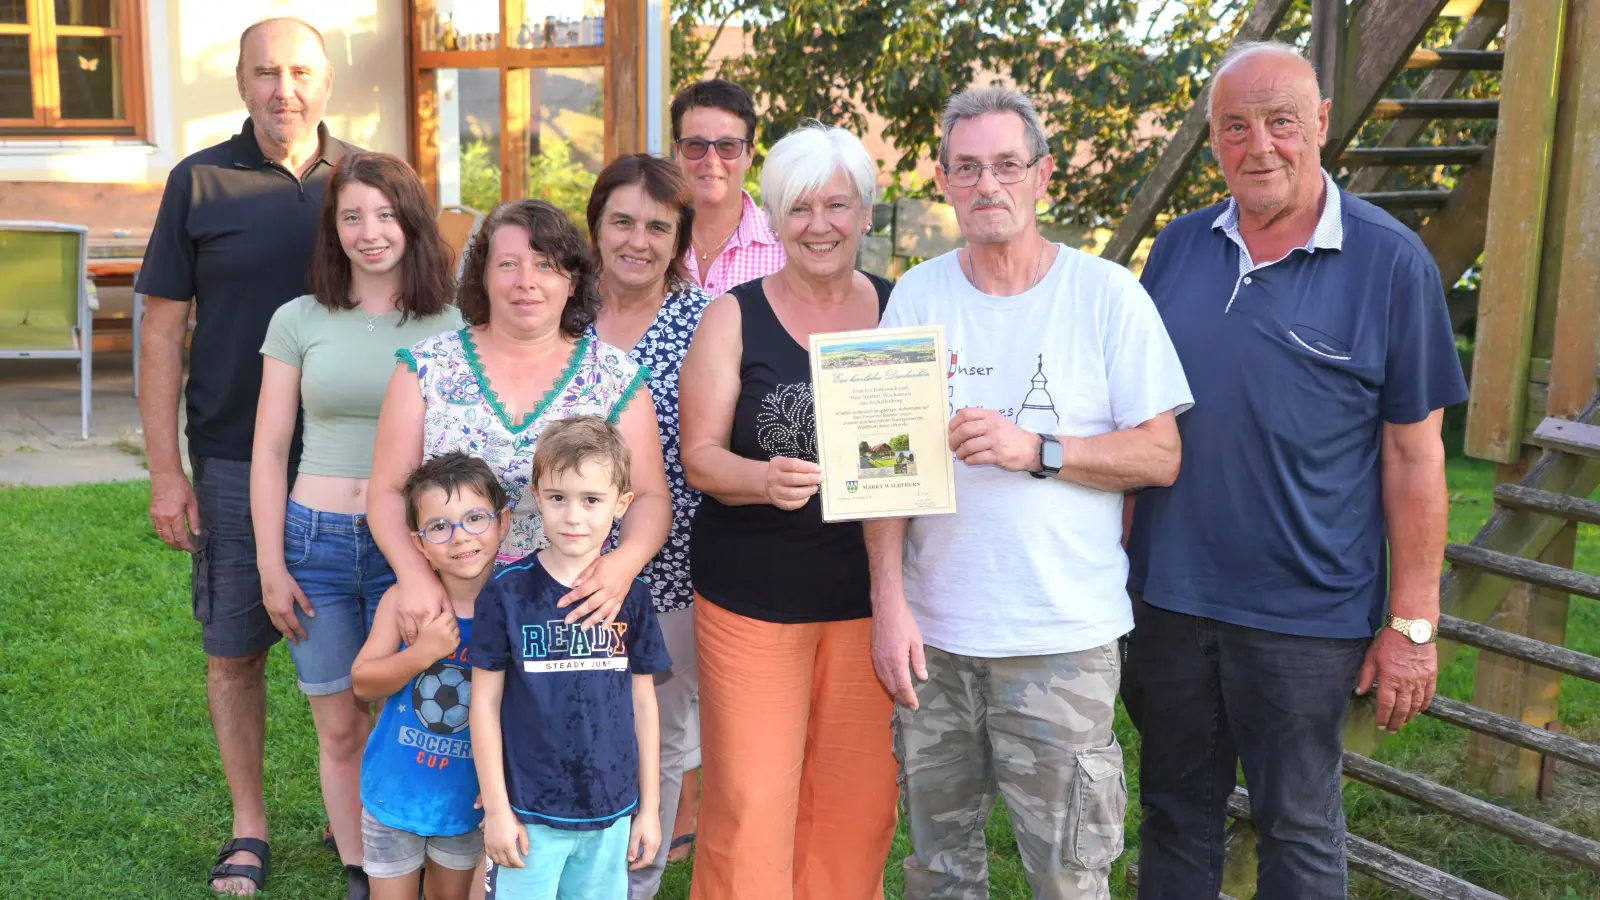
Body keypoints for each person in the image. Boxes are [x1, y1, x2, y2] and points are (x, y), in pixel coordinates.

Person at [1123, 42, 1467, 900]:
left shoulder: (1391, 263)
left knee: (1300, 830)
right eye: (1236, 127)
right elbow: (1137, 422)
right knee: (1172, 816)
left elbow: (1415, 457)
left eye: (1281, 121)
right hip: (1168, 601)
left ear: (1320, 124)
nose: (1260, 145)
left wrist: (1413, 625)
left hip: (1305, 616)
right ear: (1213, 139)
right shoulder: (1177, 249)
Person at [866, 86, 1192, 900]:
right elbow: (883, 474)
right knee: (938, 868)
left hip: (1060, 640)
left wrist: (1037, 450)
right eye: (968, 167)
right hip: (937, 639)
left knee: (1068, 873)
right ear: (943, 181)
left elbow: (1161, 454)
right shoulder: (917, 298)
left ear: (1043, 175)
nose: (988, 184)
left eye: (1007, 164)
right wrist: (889, 604)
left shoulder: (1106, 294)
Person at [134, 16, 357, 895]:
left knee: (366, 646)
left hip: (352, 459)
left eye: (300, 72)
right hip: (231, 454)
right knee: (235, 649)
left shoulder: (366, 181)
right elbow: (160, 331)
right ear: (240, 83)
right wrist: (165, 470)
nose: (283, 90)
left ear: (327, 81)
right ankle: (249, 826)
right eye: (265, 72)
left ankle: (361, 820)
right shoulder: (198, 183)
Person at [678, 121, 898, 900]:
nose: (819, 225)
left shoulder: (901, 311)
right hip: (753, 599)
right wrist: (761, 478)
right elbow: (699, 457)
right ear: (772, 219)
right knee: (750, 803)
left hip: (869, 601)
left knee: (856, 805)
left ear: (865, 213)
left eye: (836, 205)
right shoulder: (733, 315)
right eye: (798, 208)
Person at [249, 151, 463, 899]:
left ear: (411, 221)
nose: (369, 232)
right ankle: (364, 871)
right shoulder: (298, 319)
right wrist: (271, 566)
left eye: (385, 214)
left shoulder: (453, 322)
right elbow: (270, 450)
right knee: (339, 725)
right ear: (332, 228)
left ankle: (433, 848)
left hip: (414, 550)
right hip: (316, 544)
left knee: (420, 713)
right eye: (351, 217)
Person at [367, 200, 673, 644]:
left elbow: (649, 496)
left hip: (570, 608)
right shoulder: (425, 367)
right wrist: (414, 576)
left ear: (572, 282)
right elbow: (388, 490)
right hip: (450, 609)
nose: (526, 281)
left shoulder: (615, 377)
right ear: (483, 276)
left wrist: (621, 566)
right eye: (508, 264)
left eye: (545, 265)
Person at [584, 154, 714, 899]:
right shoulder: (557, 308)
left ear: (680, 238)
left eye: (658, 227)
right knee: (559, 723)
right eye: (622, 222)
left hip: (668, 570)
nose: (638, 240)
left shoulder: (708, 321)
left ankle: (633, 885)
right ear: (596, 226)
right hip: (555, 567)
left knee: (654, 734)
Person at [470, 416, 670, 899]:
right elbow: (484, 705)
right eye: (558, 497)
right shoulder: (506, 593)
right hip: (529, 814)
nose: (573, 516)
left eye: (592, 500)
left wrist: (648, 809)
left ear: (622, 503)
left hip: (611, 812)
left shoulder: (634, 597)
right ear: (536, 498)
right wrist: (497, 809)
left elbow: (644, 705)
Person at [670, 79, 785, 296]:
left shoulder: (785, 246)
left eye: (727, 146)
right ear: (677, 152)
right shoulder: (650, 240)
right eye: (696, 145)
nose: (711, 159)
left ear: (749, 154)